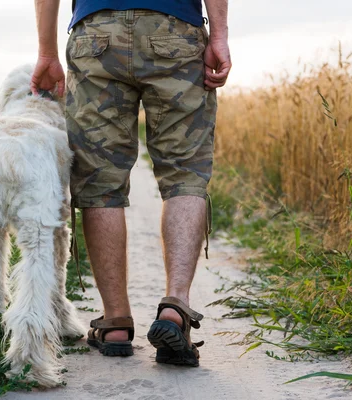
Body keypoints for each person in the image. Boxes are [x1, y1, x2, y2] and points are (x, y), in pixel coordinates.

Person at [31, 0, 231, 366]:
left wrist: (46, 50)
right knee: (185, 174)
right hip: (175, 28)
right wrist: (219, 35)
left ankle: (116, 322)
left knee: (99, 182)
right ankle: (175, 309)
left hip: (96, 32)